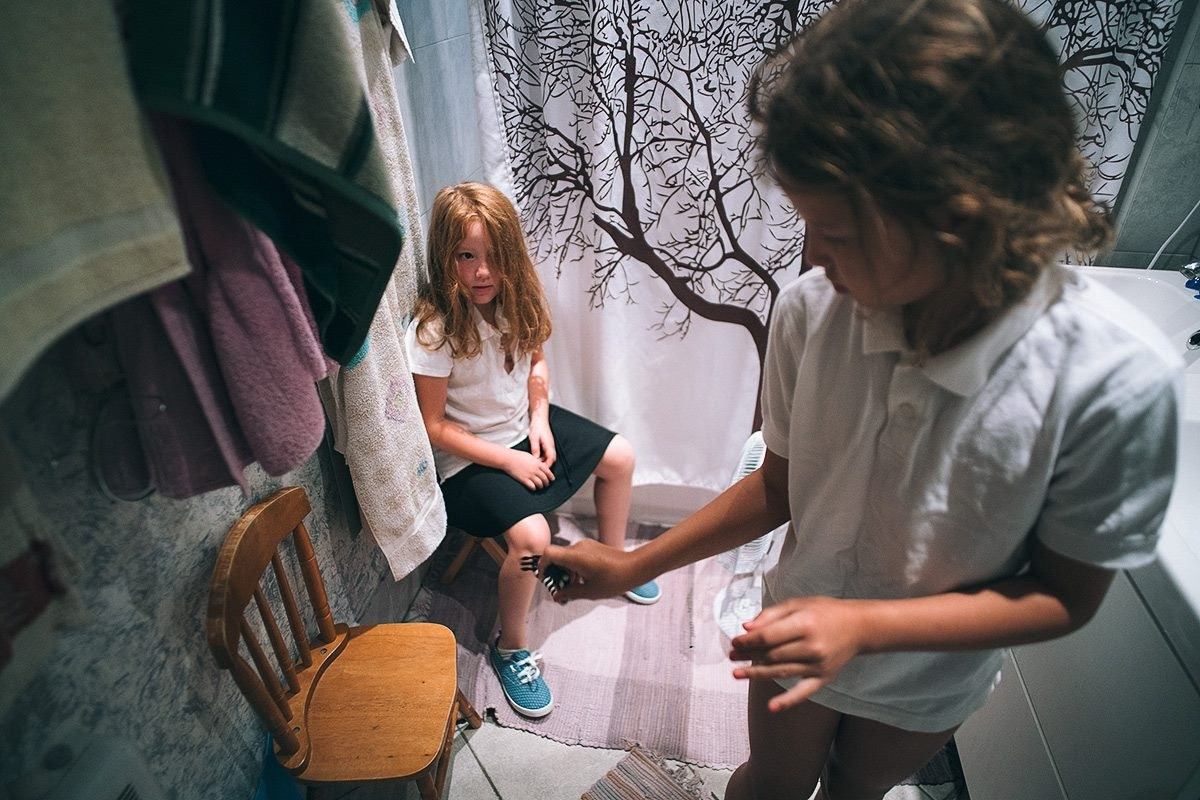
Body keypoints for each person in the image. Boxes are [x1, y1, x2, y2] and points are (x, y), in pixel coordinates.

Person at [540, 0, 1181, 797]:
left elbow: (1062, 594)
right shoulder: (815, 312)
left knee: (855, 791)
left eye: (837, 233)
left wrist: (867, 627)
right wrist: (635, 561)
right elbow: (780, 485)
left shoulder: (1112, 386)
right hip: (796, 620)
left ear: (959, 218)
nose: (814, 258)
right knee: (768, 784)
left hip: (925, 678)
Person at [405, 181, 661, 719]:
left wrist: (540, 418)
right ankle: (511, 647)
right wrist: (508, 458)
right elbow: (432, 426)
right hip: (469, 459)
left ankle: (612, 563)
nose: (481, 273)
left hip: (523, 426)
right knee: (532, 538)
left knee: (621, 456)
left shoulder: (518, 296)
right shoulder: (434, 328)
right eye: (465, 256)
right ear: (444, 255)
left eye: (494, 258)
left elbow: (537, 363)